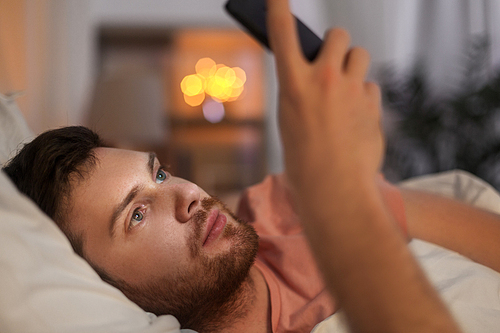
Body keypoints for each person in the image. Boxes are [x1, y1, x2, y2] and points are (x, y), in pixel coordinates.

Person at [3, 0, 500, 332]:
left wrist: (340, 193)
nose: (188, 196)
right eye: (136, 214)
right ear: (95, 284)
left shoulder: (290, 203)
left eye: (157, 174)